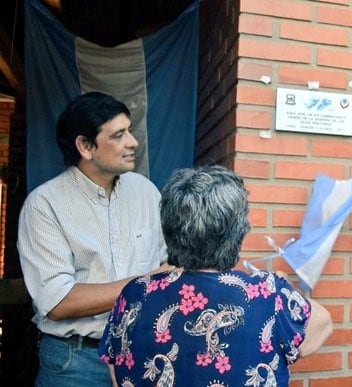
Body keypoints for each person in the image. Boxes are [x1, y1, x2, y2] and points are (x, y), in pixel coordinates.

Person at [98, 165, 333, 386]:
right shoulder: (269, 294)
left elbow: (116, 371)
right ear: (237, 232)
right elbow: (322, 325)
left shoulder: (133, 293)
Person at [18, 91, 169, 386]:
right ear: (85, 146)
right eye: (119, 135)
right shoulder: (44, 204)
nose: (133, 142)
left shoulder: (146, 192)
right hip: (76, 363)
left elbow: (168, 263)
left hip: (142, 355)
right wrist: (145, 282)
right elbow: (58, 301)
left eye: (130, 131)